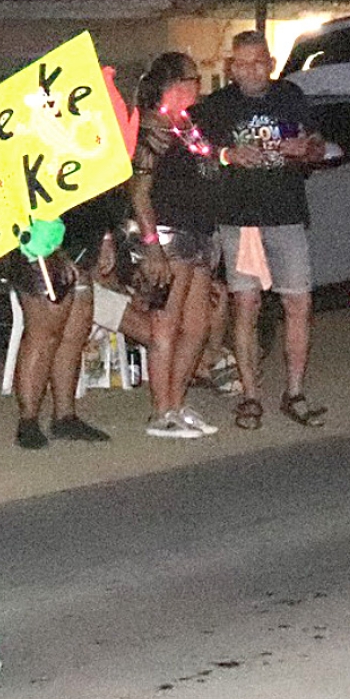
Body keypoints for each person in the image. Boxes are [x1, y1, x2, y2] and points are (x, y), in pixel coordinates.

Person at [198, 31, 326, 431]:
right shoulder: (218, 105)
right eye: (244, 63)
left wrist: (305, 148)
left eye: (260, 62)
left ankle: (295, 391)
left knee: (298, 303)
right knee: (246, 306)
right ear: (231, 67)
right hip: (240, 218)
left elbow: (318, 145)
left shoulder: (290, 96)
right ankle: (250, 395)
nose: (252, 70)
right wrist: (227, 154)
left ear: (270, 63)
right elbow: (195, 152)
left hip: (286, 213)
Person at [129, 52, 221, 438]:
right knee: (165, 326)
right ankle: (161, 411)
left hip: (197, 231)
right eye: (193, 79)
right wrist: (152, 246)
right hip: (167, 234)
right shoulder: (152, 128)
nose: (198, 86)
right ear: (174, 84)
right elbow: (139, 192)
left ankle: (176, 404)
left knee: (197, 326)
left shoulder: (187, 126)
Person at [3, 196, 115, 449]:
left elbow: (101, 188)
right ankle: (28, 420)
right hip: (41, 241)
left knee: (75, 332)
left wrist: (106, 238)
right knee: (44, 333)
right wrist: (54, 249)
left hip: (82, 239)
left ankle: (65, 416)